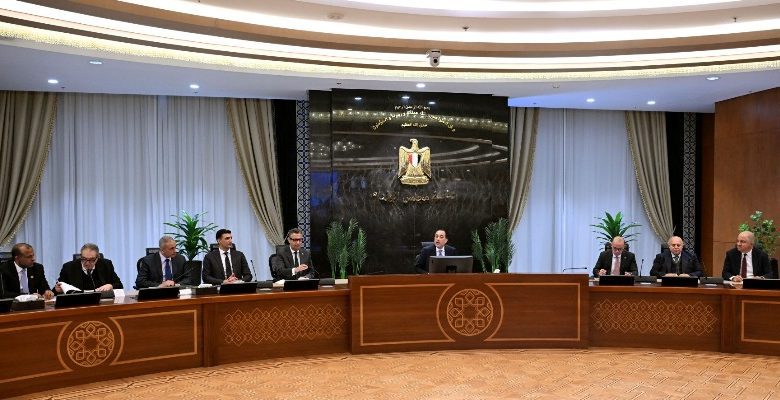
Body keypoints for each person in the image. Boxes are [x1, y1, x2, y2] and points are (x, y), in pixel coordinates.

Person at [54, 243, 123, 294]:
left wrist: (110, 286)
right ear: (80, 256)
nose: (87, 263)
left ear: (97, 258)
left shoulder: (106, 265)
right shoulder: (68, 267)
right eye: (84, 259)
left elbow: (119, 285)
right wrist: (57, 289)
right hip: (77, 303)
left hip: (101, 302)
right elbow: (57, 289)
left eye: (92, 260)